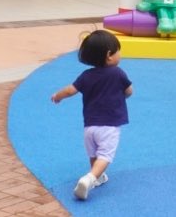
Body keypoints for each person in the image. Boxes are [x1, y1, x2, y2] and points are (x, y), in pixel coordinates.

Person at [51, 30, 133, 201]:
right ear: (109, 55)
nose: (120, 54)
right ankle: (89, 178)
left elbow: (70, 90)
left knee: (94, 152)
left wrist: (58, 96)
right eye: (118, 50)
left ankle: (98, 177)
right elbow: (129, 91)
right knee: (105, 155)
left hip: (90, 126)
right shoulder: (118, 73)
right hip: (109, 126)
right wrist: (122, 94)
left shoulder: (86, 75)